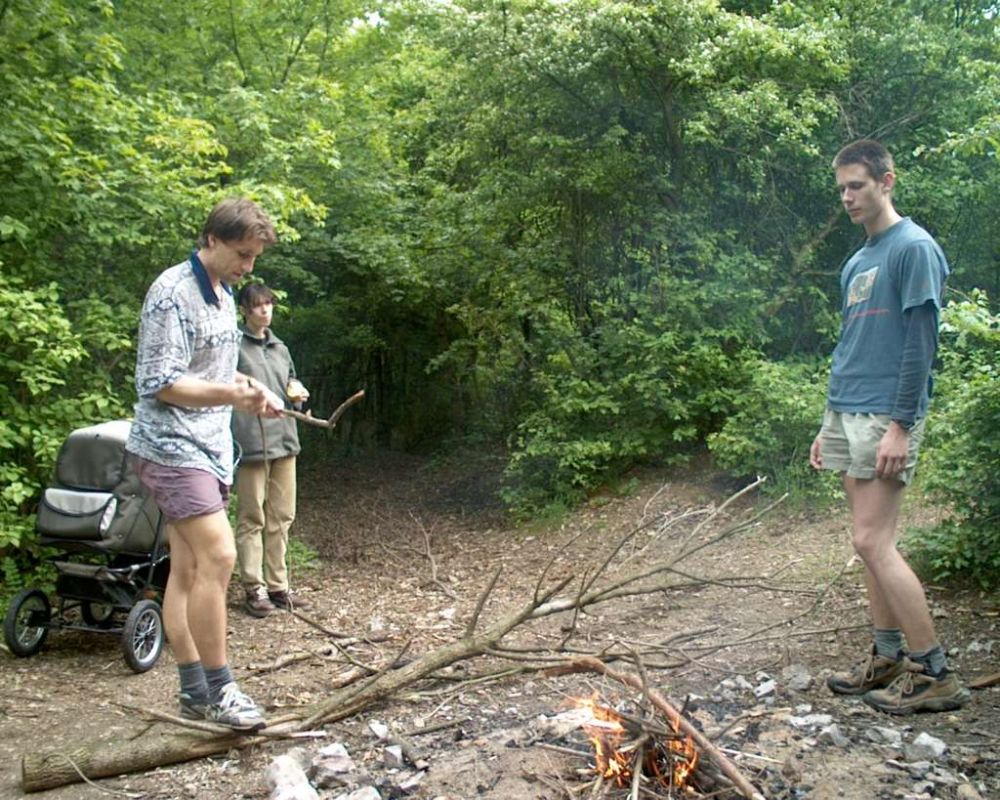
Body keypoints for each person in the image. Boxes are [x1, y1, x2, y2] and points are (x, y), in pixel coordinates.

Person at [810, 139, 968, 714]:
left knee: (871, 541)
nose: (848, 197)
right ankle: (886, 656)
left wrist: (901, 425)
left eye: (857, 185)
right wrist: (827, 419)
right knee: (871, 545)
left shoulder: (914, 248)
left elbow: (920, 344)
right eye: (842, 189)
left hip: (884, 412)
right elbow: (853, 342)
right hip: (847, 409)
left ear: (886, 181)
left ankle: (935, 673)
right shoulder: (857, 261)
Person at [126, 197, 285, 731]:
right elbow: (162, 383)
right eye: (242, 254)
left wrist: (253, 387)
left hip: (211, 448)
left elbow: (213, 371)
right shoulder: (171, 293)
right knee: (220, 555)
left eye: (255, 257)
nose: (248, 266)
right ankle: (221, 690)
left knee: (189, 569)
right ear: (212, 240)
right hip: (171, 447)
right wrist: (230, 394)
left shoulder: (222, 293)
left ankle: (194, 690)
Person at [232, 283, 313, 618]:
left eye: (269, 304)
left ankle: (279, 587)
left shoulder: (280, 347)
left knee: (282, 516)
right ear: (244, 310)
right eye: (257, 305)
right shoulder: (233, 345)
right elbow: (225, 385)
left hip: (285, 440)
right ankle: (254, 588)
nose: (265, 310)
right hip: (251, 442)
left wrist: (298, 396)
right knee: (252, 517)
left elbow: (291, 381)